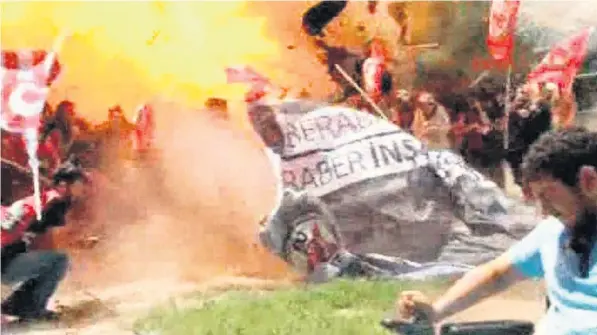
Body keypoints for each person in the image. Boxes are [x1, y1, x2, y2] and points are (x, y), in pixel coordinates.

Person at [394, 127, 597, 335]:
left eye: (547, 196)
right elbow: (496, 275)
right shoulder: (554, 230)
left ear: (589, 181)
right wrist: (434, 312)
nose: (544, 211)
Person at [1, 159, 89, 323]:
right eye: (79, 183)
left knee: (53, 260)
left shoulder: (42, 200)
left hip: (6, 256)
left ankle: (21, 305)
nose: (83, 188)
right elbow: (49, 244)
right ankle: (27, 307)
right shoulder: (54, 203)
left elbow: (35, 239)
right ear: (63, 185)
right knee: (59, 261)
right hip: (3, 258)